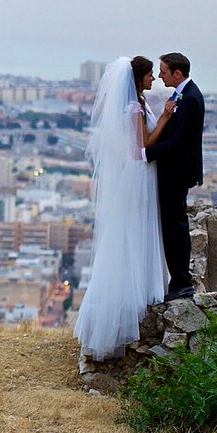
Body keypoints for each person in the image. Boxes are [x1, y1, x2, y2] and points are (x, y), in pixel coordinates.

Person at [74, 56, 173, 360]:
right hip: (139, 174)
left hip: (137, 175)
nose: (154, 79)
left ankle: (139, 292)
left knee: (135, 231)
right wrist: (166, 118)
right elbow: (140, 147)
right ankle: (134, 299)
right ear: (138, 78)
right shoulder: (133, 108)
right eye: (149, 76)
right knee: (136, 230)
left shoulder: (137, 104)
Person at [145, 52, 205, 300]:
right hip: (176, 172)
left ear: (177, 73)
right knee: (173, 224)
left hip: (177, 173)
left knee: (175, 226)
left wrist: (147, 152)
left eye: (164, 71)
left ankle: (181, 280)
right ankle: (179, 279)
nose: (159, 76)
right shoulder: (184, 94)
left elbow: (179, 141)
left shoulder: (189, 98)